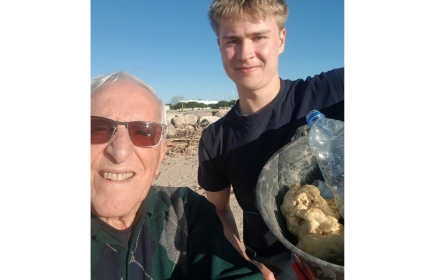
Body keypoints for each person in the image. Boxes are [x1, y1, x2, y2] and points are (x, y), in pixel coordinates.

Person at [197, 1, 344, 279]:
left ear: (281, 39)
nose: (245, 53)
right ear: (219, 45)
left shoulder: (332, 92)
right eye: (232, 40)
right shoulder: (215, 139)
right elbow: (219, 210)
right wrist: (243, 261)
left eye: (258, 37)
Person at [90, 71, 264, 280]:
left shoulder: (186, 211)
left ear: (161, 154)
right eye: (97, 129)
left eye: (143, 132)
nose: (119, 152)